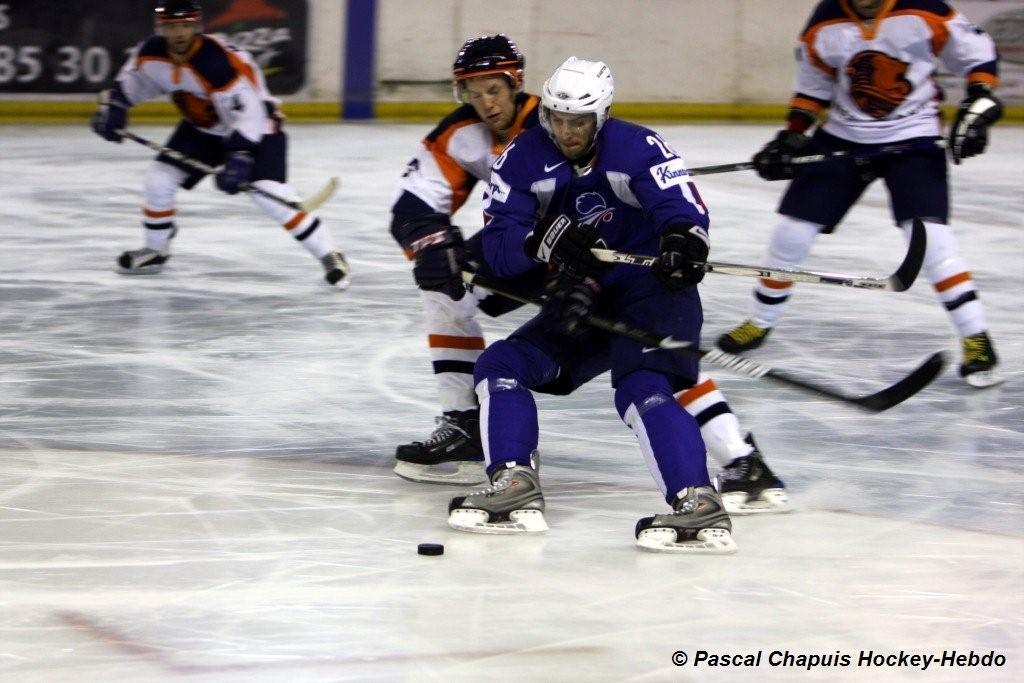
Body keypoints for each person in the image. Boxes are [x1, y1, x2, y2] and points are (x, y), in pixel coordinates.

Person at [390, 37, 789, 516]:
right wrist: (432, 244)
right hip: (543, 252)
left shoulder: (605, 133)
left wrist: (683, 238)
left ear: (516, 85)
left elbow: (676, 208)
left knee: (651, 358)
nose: (485, 103)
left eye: (493, 89)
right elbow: (417, 208)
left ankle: (736, 456)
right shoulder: (473, 139)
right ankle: (464, 423)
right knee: (449, 284)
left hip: (607, 257)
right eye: (471, 92)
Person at [445, 56, 741, 554]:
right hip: (585, 295)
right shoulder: (521, 159)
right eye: (557, 118)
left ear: (601, 115)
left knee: (642, 387)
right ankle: (514, 485)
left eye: (578, 120)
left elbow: (681, 207)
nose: (566, 130)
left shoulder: (636, 145)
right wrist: (542, 243)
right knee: (502, 364)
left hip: (652, 291)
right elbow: (498, 246)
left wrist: (683, 240)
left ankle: (697, 502)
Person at [716, 0, 1003, 388]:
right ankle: (760, 322)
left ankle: (976, 337)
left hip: (914, 141)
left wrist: (980, 99)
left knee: (931, 241)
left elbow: (977, 56)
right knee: (792, 233)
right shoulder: (825, 21)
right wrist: (792, 136)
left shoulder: (925, 11)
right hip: (842, 139)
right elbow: (812, 89)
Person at [90, 0, 349, 288]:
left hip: (259, 127)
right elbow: (128, 86)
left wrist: (239, 156)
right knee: (159, 180)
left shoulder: (216, 63)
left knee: (269, 195)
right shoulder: (150, 54)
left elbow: (250, 114)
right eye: (172, 26)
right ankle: (155, 249)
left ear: (197, 26)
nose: (179, 33)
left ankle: (329, 254)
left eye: (186, 25)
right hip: (204, 128)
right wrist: (114, 108)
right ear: (161, 27)